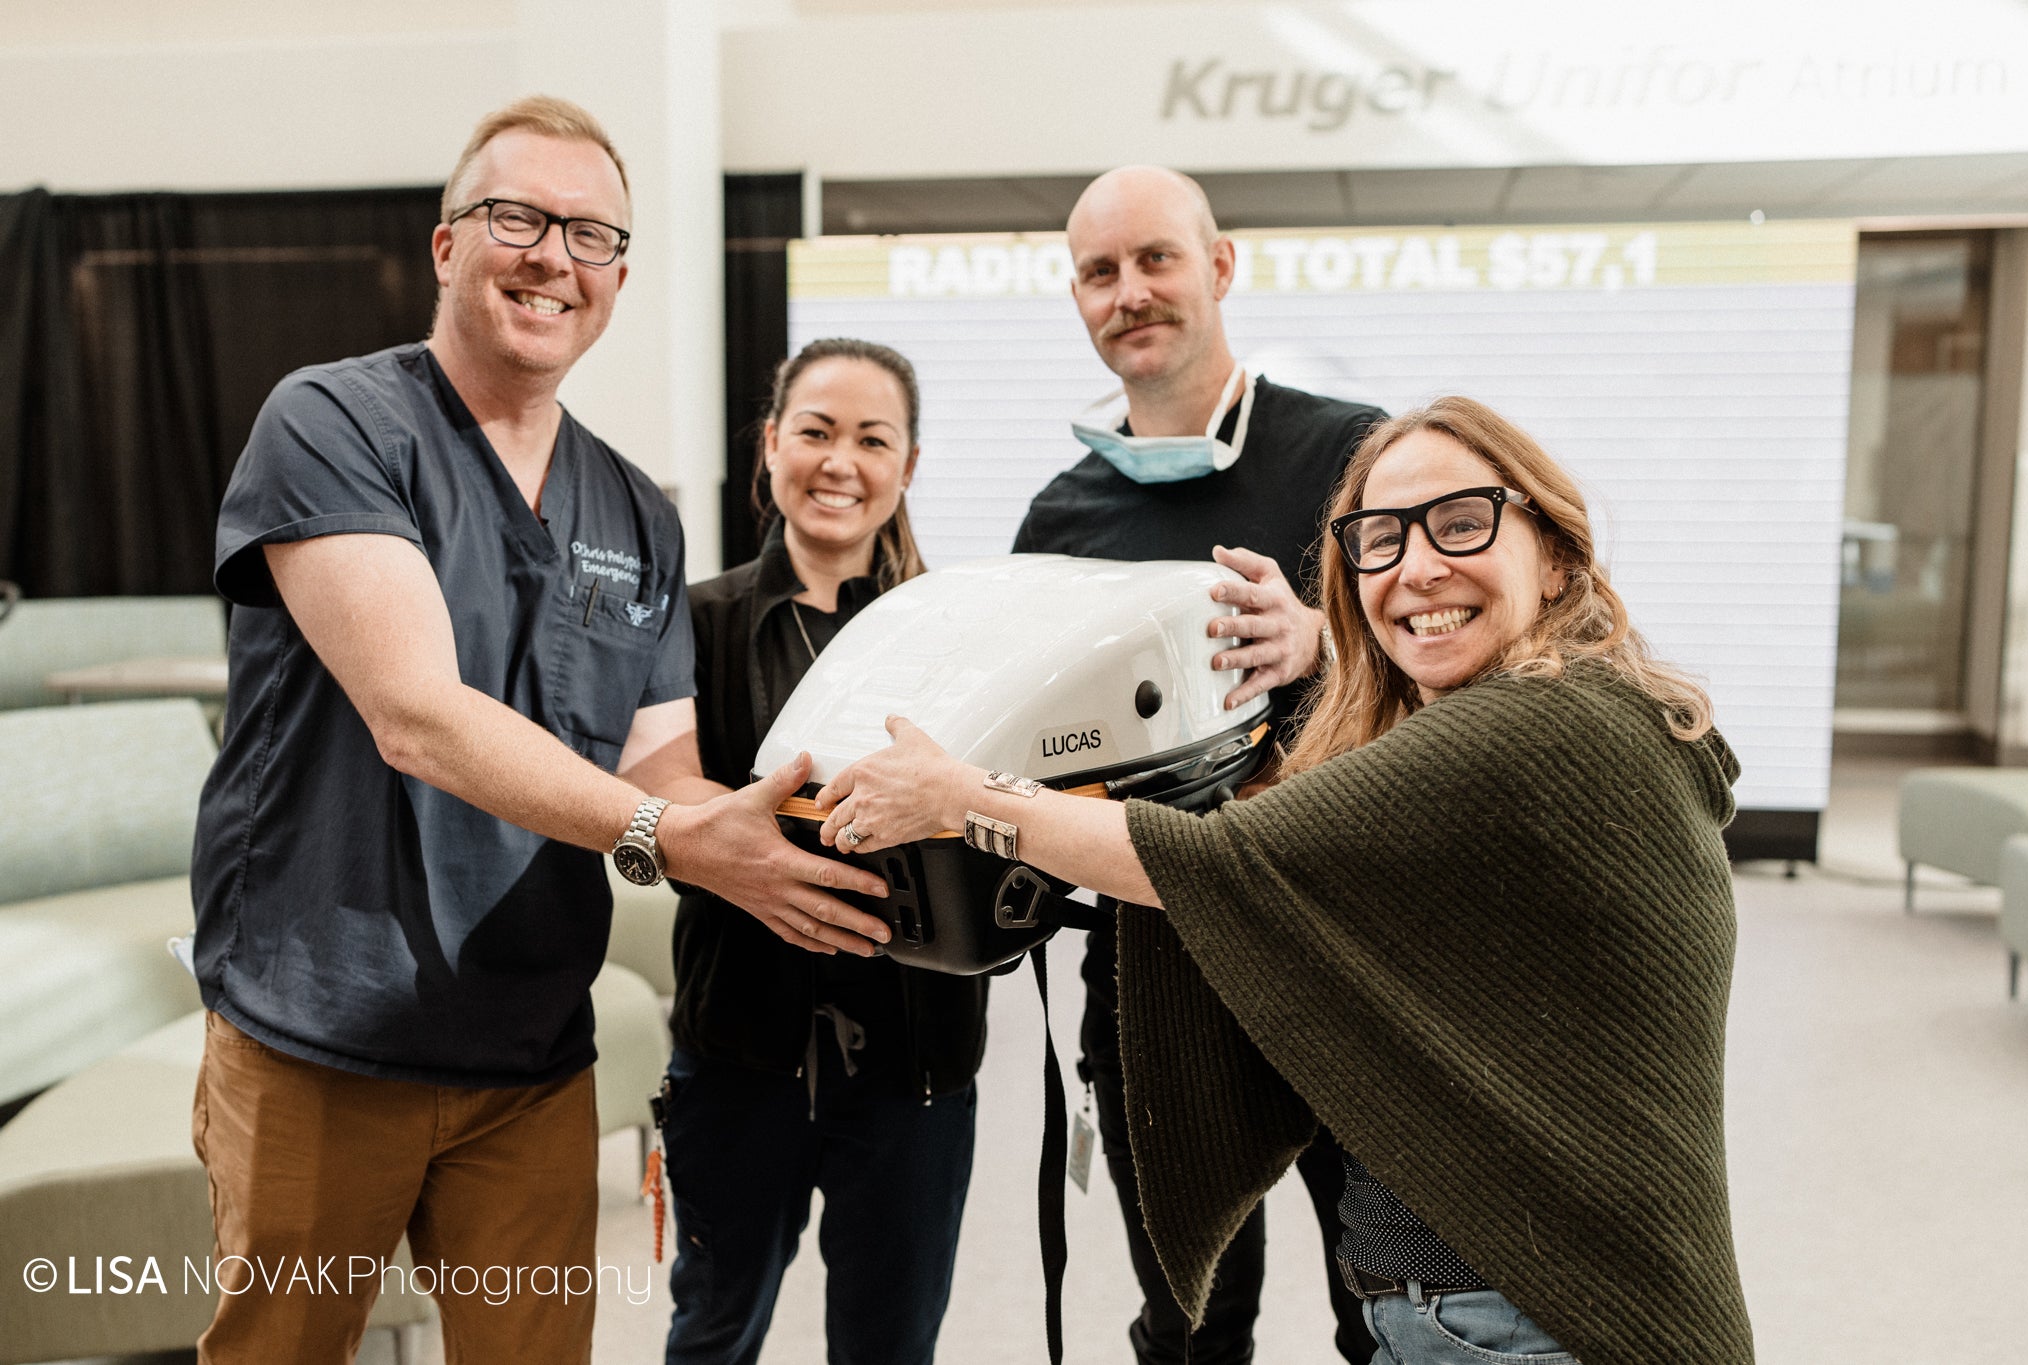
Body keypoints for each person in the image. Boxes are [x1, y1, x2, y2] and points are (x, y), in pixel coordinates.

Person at [812, 396, 1756, 1365]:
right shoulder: (1587, 715)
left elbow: (1216, 864)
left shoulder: (1528, 731)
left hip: (1518, 1329)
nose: (1416, 567)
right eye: (1378, 541)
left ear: (1554, 553)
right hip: (1525, 1310)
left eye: (1462, 522)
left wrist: (958, 796)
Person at [187, 98, 890, 1365]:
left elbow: (656, 762)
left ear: (618, 277)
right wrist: (673, 833)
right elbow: (418, 718)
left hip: (528, 1051)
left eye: (591, 235)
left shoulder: (635, 510)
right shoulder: (334, 424)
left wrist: (785, 820)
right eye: (517, 217)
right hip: (321, 1031)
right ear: (449, 243)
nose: (552, 256)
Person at [1010, 163, 1385, 1364]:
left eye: (1155, 258)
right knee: (1186, 1320)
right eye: (1098, 272)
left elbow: (1466, 682)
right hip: (1152, 975)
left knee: (1376, 1311)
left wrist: (1324, 643)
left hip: (1340, 963)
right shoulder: (1058, 520)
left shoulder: (1355, 460)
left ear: (1219, 268)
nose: (1130, 292)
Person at [654, 338, 980, 1365]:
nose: (840, 462)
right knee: (713, 1328)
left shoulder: (960, 635)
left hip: (913, 1061)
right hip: (738, 1049)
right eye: (815, 432)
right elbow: (649, 810)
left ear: (908, 467)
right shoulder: (692, 624)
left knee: (890, 1346)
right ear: (769, 445)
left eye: (871, 439)